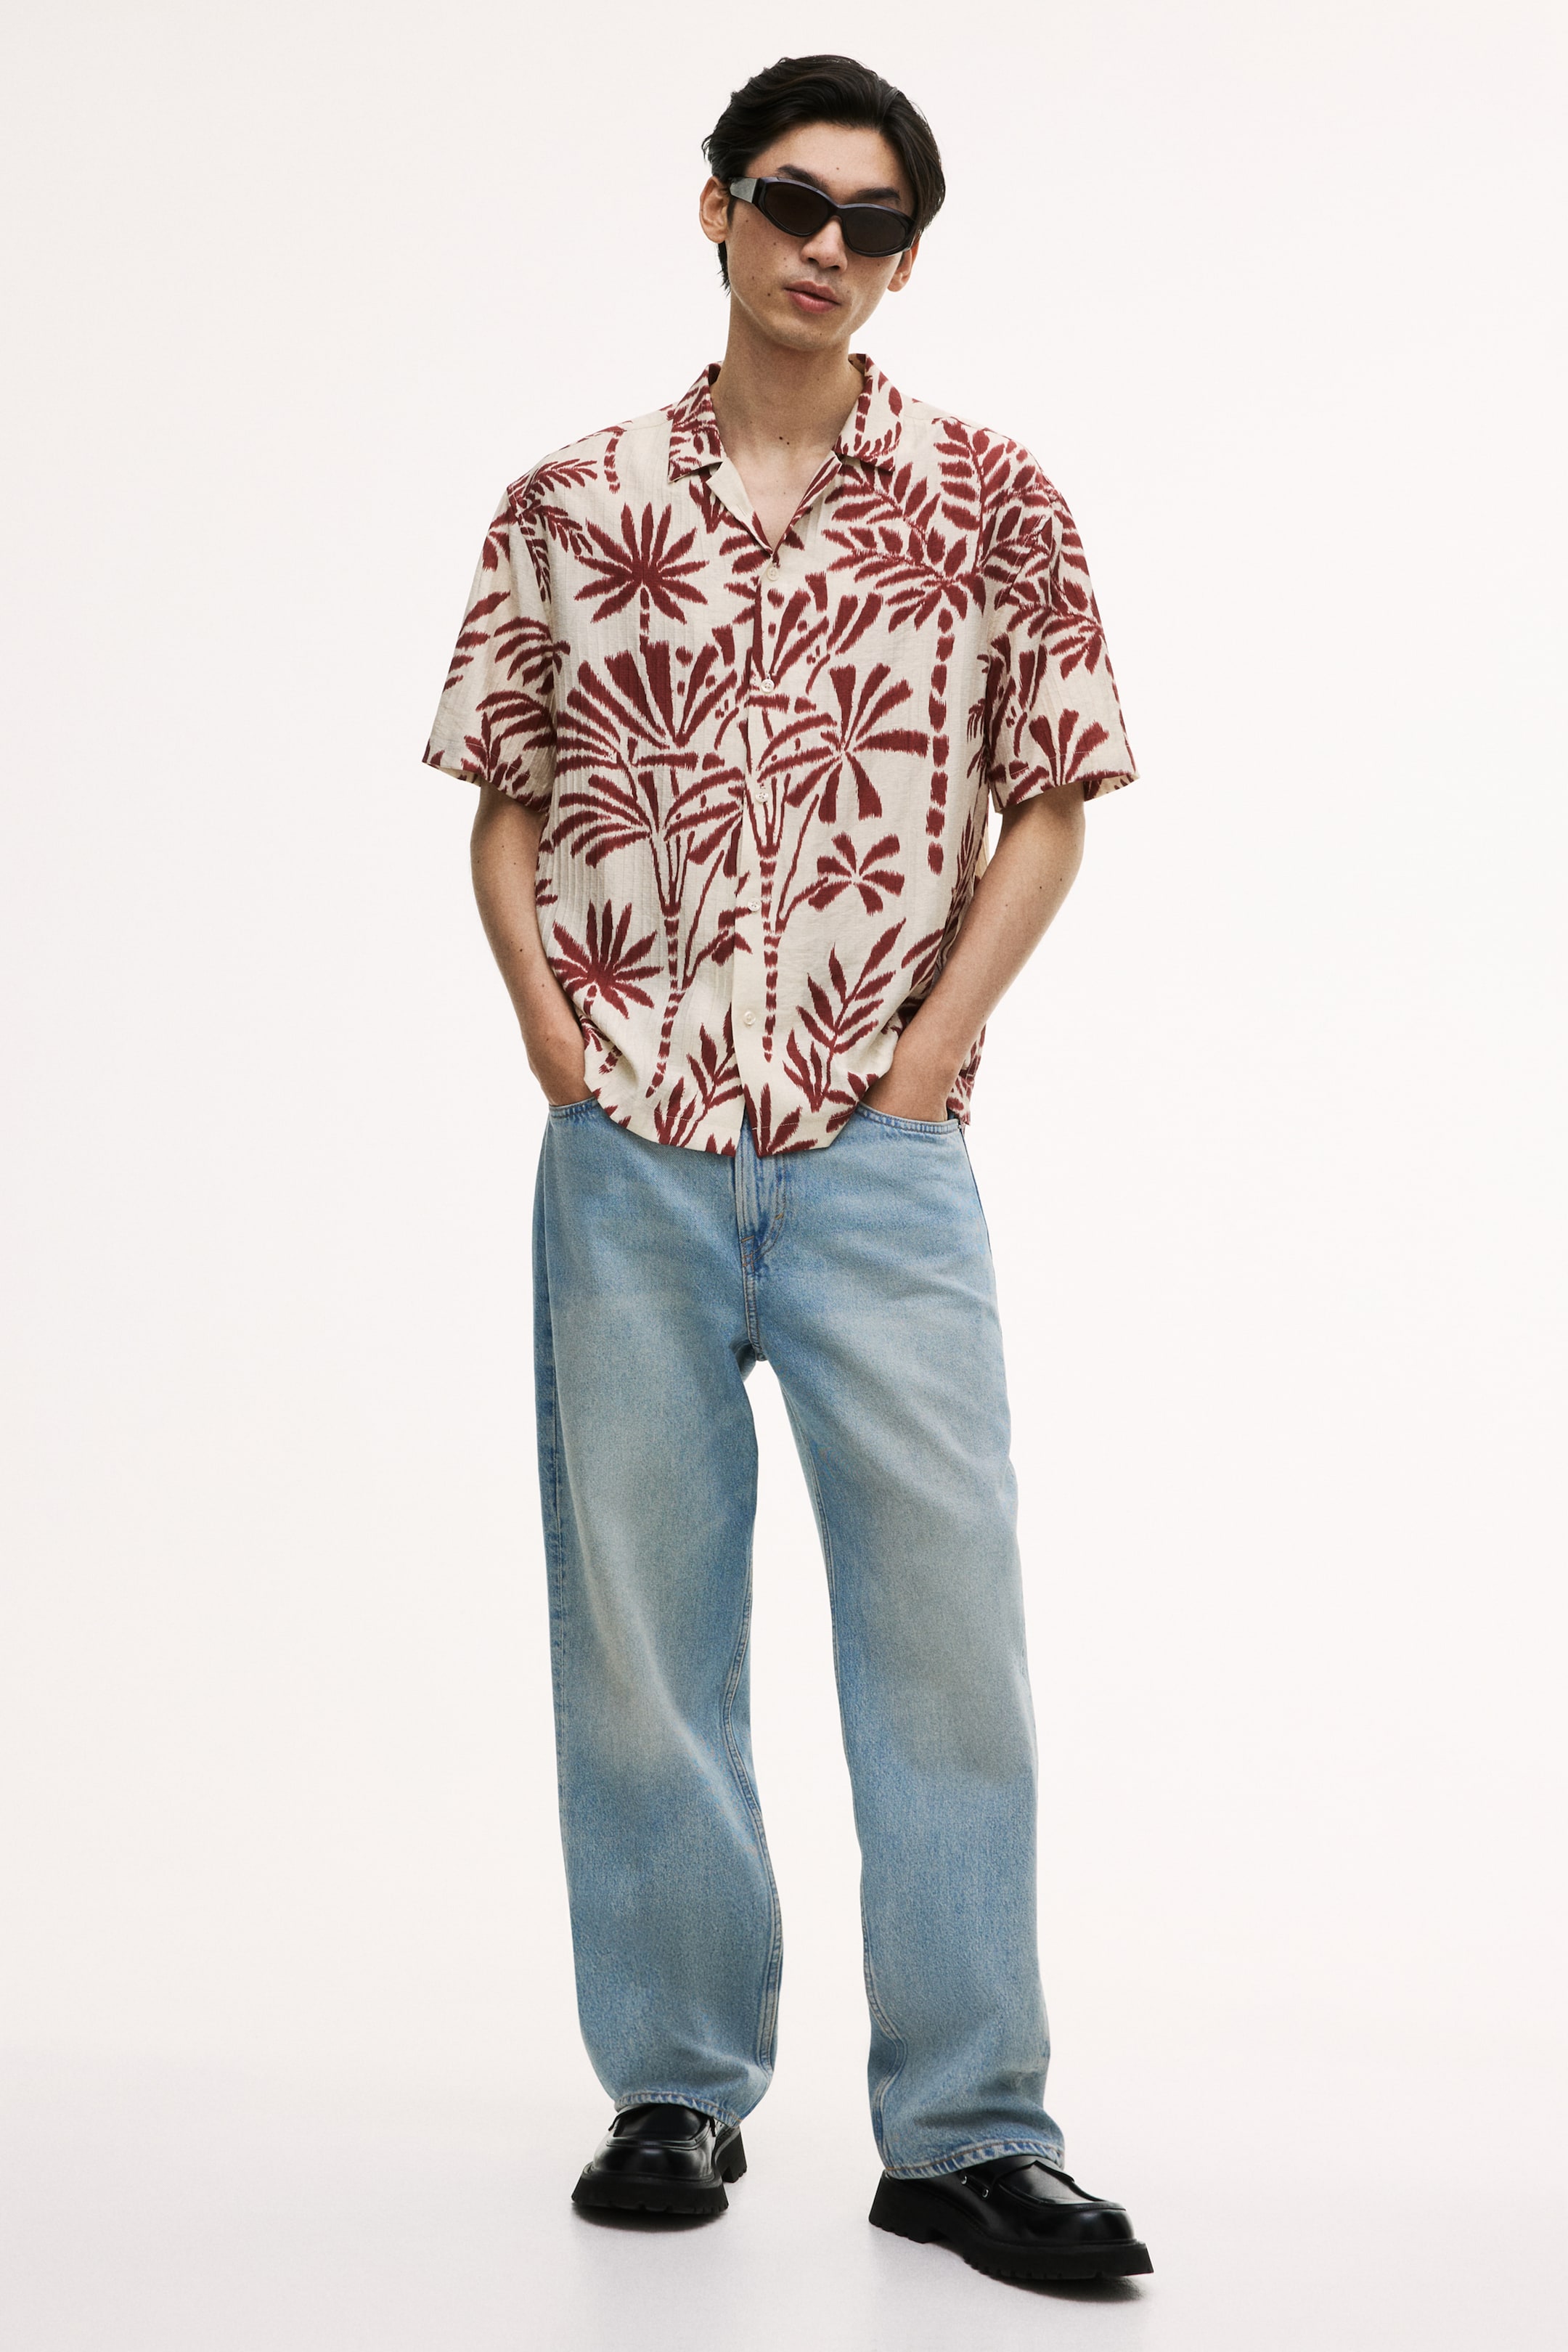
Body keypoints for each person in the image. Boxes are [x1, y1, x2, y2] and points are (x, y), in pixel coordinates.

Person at [423, 53, 1151, 2287]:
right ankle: (675, 2090)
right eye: (791, 201)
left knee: (948, 1646)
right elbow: (506, 792)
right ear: (718, 212)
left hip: (875, 1159)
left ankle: (970, 2133)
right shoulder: (573, 506)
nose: (827, 245)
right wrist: (556, 1043)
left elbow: (1052, 798)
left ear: (908, 260)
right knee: (643, 1643)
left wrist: (927, 1062)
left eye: (873, 221)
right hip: (629, 1153)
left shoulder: (992, 502)